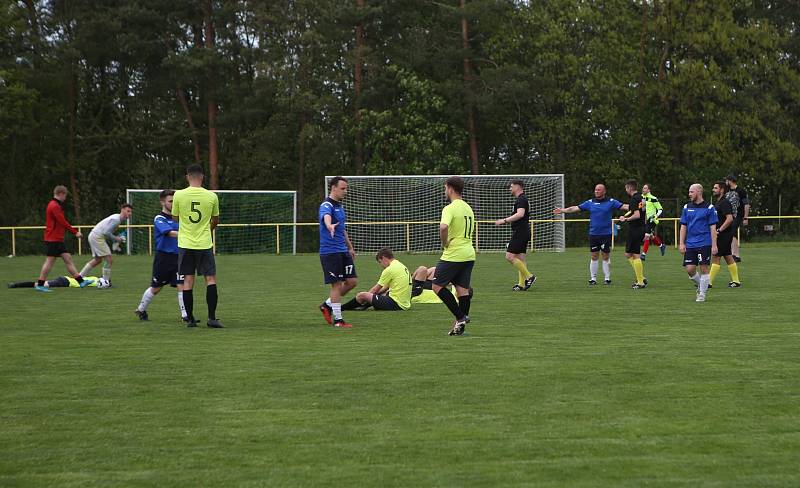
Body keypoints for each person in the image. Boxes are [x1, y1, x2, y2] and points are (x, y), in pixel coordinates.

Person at [172, 164, 223, 328]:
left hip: (186, 243)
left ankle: (191, 320)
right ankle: (212, 318)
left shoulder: (179, 195)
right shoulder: (211, 196)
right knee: (210, 279)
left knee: (188, 280)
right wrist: (208, 229)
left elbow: (175, 219)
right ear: (202, 177)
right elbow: (215, 220)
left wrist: (187, 228)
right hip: (204, 243)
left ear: (187, 177)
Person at [134, 190, 189, 322]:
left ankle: (185, 316)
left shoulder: (180, 217)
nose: (173, 203)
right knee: (156, 288)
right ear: (162, 202)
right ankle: (141, 309)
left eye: (175, 201)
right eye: (170, 201)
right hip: (163, 258)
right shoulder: (159, 218)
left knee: (181, 284)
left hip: (179, 257)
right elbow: (169, 233)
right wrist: (187, 234)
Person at [554, 184, 623, 285]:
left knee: (605, 256)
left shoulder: (611, 202)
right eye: (595, 190)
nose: (596, 191)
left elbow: (624, 206)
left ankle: (607, 278)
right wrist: (562, 210)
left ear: (604, 191)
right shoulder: (590, 203)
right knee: (594, 256)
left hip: (606, 234)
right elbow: (575, 208)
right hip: (594, 234)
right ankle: (593, 278)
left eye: (599, 190)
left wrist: (636, 206)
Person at [434, 176, 475, 336]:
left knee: (436, 286)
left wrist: (444, 243)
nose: (445, 191)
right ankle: (459, 329)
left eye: (445, 188)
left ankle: (461, 317)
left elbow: (443, 227)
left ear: (450, 188)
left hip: (454, 253)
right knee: (462, 291)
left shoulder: (449, 208)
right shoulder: (468, 208)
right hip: (469, 253)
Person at [35, 185, 93, 292]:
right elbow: (62, 222)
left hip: (57, 239)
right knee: (49, 262)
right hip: (53, 239)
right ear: (61, 194)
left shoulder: (54, 205)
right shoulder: (54, 206)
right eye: (65, 196)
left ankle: (81, 282)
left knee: (68, 259)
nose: (65, 198)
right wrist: (75, 232)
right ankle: (40, 284)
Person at [318, 176, 358, 328]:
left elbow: (342, 229)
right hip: (330, 252)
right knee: (336, 285)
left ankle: (327, 305)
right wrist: (329, 226)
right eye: (342, 188)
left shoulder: (340, 207)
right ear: (333, 187)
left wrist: (350, 247)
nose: (345, 191)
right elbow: (326, 218)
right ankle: (338, 320)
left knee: (352, 281)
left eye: (346, 188)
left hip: (342, 250)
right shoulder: (326, 205)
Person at [494, 179, 536, 291]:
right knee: (520, 259)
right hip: (523, 231)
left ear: (518, 187)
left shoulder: (521, 199)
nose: (510, 188)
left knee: (509, 256)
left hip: (521, 232)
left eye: (511, 186)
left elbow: (520, 214)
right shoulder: (522, 199)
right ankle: (521, 284)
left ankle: (530, 276)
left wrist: (504, 220)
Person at [679, 183, 718, 302]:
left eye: (691, 192)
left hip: (704, 243)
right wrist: (681, 243)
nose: (689, 194)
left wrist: (714, 245)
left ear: (699, 192)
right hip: (690, 243)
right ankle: (702, 286)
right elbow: (683, 226)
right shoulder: (686, 207)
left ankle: (702, 294)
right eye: (689, 192)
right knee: (690, 270)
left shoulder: (709, 208)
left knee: (704, 268)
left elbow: (713, 228)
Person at [341, 248, 411, 312]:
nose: (381, 265)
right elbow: (386, 287)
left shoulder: (389, 269)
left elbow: (375, 290)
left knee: (362, 295)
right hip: (405, 304)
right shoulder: (400, 265)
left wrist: (365, 297)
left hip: (396, 304)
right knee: (382, 293)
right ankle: (363, 306)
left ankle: (342, 308)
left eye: (380, 262)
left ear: (383, 258)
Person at [79, 204, 133, 285]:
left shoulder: (117, 218)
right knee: (109, 260)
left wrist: (115, 240)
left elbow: (107, 232)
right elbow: (106, 232)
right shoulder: (116, 220)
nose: (130, 213)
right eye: (128, 211)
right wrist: (117, 239)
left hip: (94, 235)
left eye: (131, 212)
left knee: (97, 260)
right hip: (97, 237)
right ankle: (105, 281)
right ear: (122, 210)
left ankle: (79, 279)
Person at [710, 181, 742, 288]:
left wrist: (719, 230)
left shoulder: (724, 202)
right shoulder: (718, 202)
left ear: (722, 190)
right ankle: (736, 281)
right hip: (724, 234)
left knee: (716, 256)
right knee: (728, 256)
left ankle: (708, 283)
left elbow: (730, 218)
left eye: (715, 188)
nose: (713, 190)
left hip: (723, 235)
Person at [617, 179, 647, 289]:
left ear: (630, 187)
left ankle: (640, 282)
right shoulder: (641, 197)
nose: (625, 190)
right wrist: (625, 216)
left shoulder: (634, 199)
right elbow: (636, 210)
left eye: (626, 188)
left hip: (635, 228)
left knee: (635, 254)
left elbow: (637, 214)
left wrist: (626, 219)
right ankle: (641, 277)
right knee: (628, 254)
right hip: (641, 228)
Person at [724, 174, 749, 262]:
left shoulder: (740, 191)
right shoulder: (726, 190)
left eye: (726, 180)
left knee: (733, 232)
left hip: (738, 215)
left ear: (730, 181)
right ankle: (733, 254)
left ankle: (735, 255)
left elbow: (746, 204)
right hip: (729, 215)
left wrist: (745, 217)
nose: (725, 182)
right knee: (730, 233)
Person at [640, 183, 666, 260]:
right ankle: (661, 245)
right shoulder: (642, 197)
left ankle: (643, 255)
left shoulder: (653, 198)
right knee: (651, 236)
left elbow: (660, 209)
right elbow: (642, 209)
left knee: (647, 236)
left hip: (652, 220)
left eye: (645, 188)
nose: (643, 189)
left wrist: (655, 216)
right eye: (643, 188)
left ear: (649, 190)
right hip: (645, 220)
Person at [9, 275, 102, 289]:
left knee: (40, 284)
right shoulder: (97, 281)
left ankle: (16, 285)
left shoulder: (93, 277)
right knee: (41, 284)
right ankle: (15, 285)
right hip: (65, 282)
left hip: (65, 279)